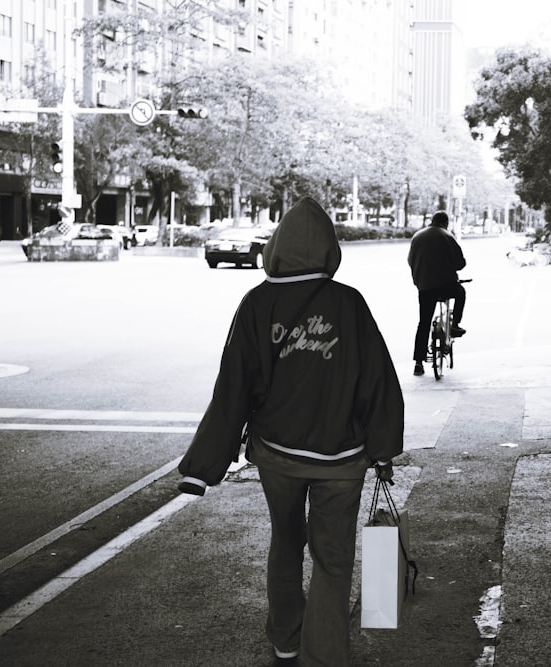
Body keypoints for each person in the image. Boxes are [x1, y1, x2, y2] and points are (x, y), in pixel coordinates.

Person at [176, 196, 404, 665]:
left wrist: (203, 467)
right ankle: (324, 657)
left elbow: (233, 387)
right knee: (333, 558)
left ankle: (286, 635)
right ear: (329, 249)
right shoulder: (350, 304)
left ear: (275, 247)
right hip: (342, 461)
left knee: (286, 539)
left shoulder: (257, 303)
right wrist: (383, 451)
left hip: (277, 455)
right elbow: (378, 381)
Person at [407, 210, 467, 376]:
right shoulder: (447, 236)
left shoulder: (417, 237)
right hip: (445, 285)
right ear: (445, 223)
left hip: (424, 287)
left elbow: (410, 260)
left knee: (424, 323)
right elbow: (460, 263)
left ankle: (418, 363)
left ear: (432, 221)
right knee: (460, 292)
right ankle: (454, 325)